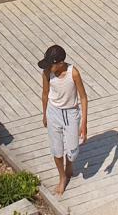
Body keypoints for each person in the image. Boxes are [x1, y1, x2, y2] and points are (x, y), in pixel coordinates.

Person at [38, 45, 88, 196]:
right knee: (57, 149)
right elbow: (45, 94)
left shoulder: (73, 73)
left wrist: (84, 124)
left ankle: (70, 165)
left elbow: (83, 98)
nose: (48, 67)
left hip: (71, 114)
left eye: (50, 64)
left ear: (60, 63)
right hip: (53, 112)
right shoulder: (47, 73)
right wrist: (45, 114)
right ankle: (62, 177)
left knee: (72, 151)